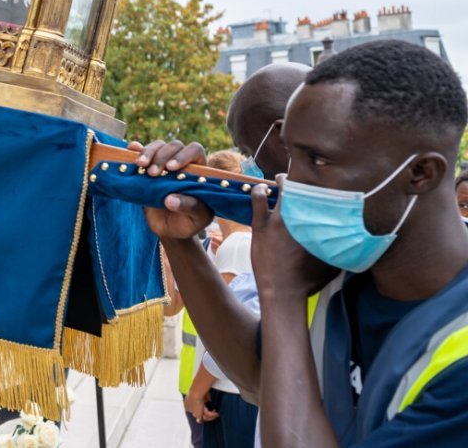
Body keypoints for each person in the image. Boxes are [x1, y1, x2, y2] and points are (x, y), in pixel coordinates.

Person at [137, 41, 468, 447]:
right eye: (291, 157)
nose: (290, 183)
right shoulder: (348, 272)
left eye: (320, 161)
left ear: (420, 173)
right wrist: (181, 241)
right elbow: (259, 376)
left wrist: (282, 293)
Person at [183, 150, 257, 448]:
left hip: (229, 390)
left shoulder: (236, 246)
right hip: (232, 387)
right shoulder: (243, 243)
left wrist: (197, 390)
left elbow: (227, 333)